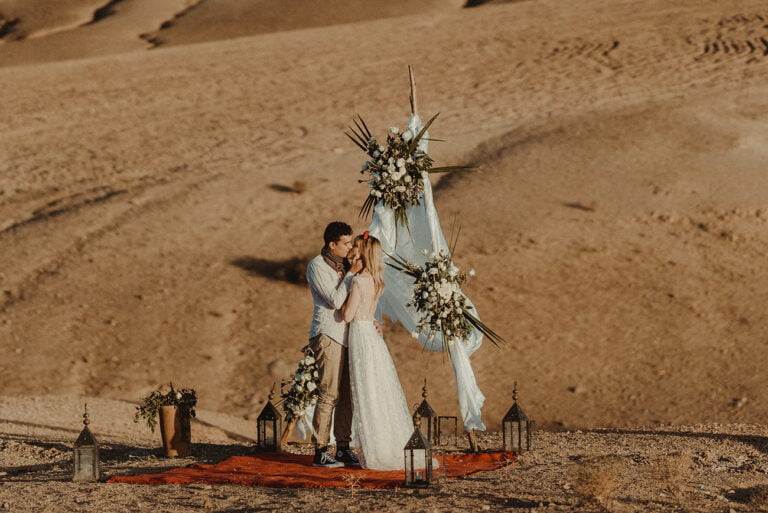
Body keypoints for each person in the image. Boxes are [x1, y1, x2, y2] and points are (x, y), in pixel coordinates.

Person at [342, 232, 414, 470]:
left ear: (363, 253)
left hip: (360, 335)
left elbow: (347, 315)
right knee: (377, 388)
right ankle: (387, 443)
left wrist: (347, 277)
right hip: (371, 335)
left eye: (356, 247)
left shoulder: (357, 280)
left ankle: (376, 449)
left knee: (366, 390)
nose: (352, 250)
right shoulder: (376, 279)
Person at [306, 221, 362, 468]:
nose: (350, 247)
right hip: (328, 334)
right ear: (332, 244)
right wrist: (350, 275)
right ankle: (320, 451)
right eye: (346, 243)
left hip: (351, 336)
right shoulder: (317, 266)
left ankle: (342, 447)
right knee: (329, 394)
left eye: (351, 242)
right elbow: (336, 301)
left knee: (347, 396)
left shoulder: (347, 267)